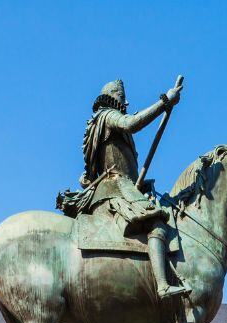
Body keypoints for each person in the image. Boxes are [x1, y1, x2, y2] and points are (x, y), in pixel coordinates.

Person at [56, 76, 190, 304]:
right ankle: (163, 285)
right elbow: (132, 123)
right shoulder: (108, 116)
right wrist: (164, 101)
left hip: (117, 185)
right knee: (157, 223)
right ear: (113, 99)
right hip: (117, 188)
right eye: (123, 99)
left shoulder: (99, 126)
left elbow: (90, 174)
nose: (126, 104)